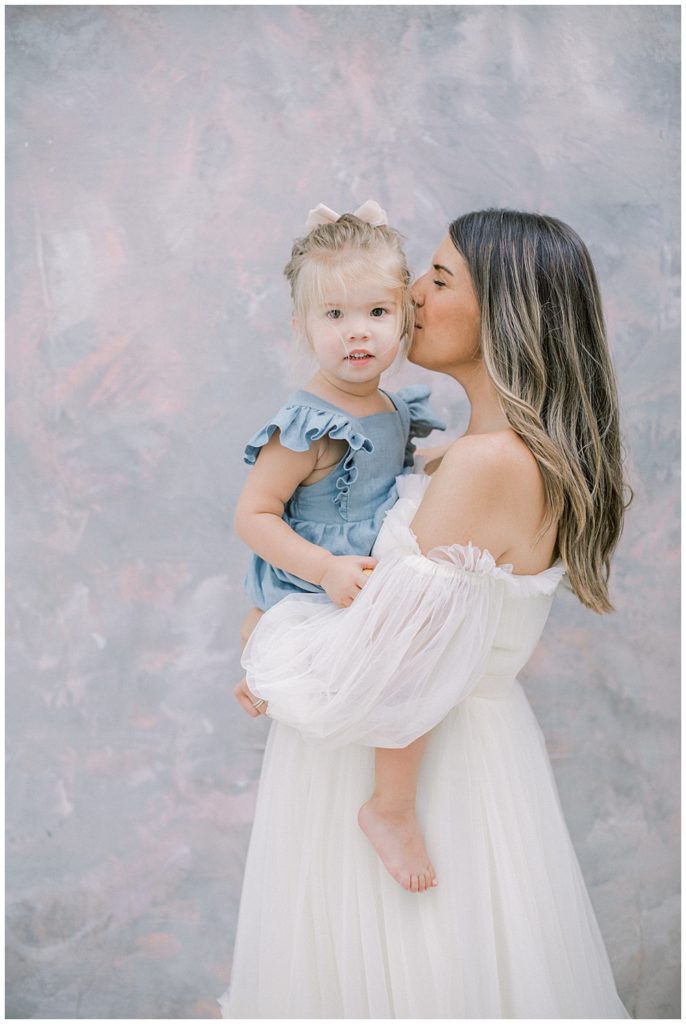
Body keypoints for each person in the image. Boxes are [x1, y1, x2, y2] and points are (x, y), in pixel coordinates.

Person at [219, 209, 632, 1018]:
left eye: (440, 280)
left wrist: (267, 635)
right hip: (438, 745)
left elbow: (396, 657)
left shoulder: (483, 463)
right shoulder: (470, 447)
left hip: (413, 767)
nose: (412, 293)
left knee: (411, 973)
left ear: (504, 313)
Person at [233, 199, 446, 893]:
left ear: (404, 318)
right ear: (301, 327)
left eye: (377, 314)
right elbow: (255, 516)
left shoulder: (392, 406)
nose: (358, 334)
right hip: (319, 576)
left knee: (425, 638)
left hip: (370, 559)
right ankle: (390, 807)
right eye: (334, 316)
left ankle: (262, 649)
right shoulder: (307, 424)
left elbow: (393, 479)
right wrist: (322, 569)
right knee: (411, 661)